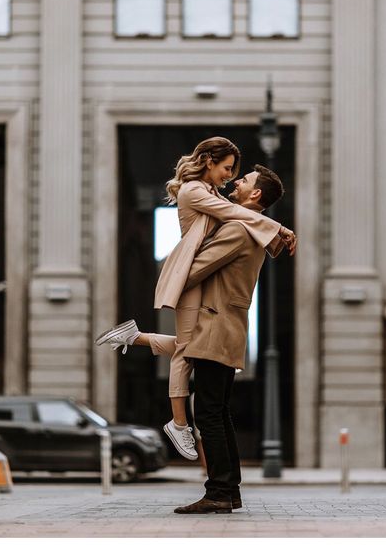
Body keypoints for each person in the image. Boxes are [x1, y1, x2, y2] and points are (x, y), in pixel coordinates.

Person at [95, 137, 296, 461]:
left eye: (238, 175)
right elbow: (229, 212)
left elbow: (229, 212)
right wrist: (278, 227)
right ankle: (177, 423)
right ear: (209, 161)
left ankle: (134, 337)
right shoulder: (196, 192)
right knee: (187, 352)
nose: (232, 177)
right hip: (189, 276)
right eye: (228, 169)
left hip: (200, 287)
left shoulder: (214, 195)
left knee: (189, 347)